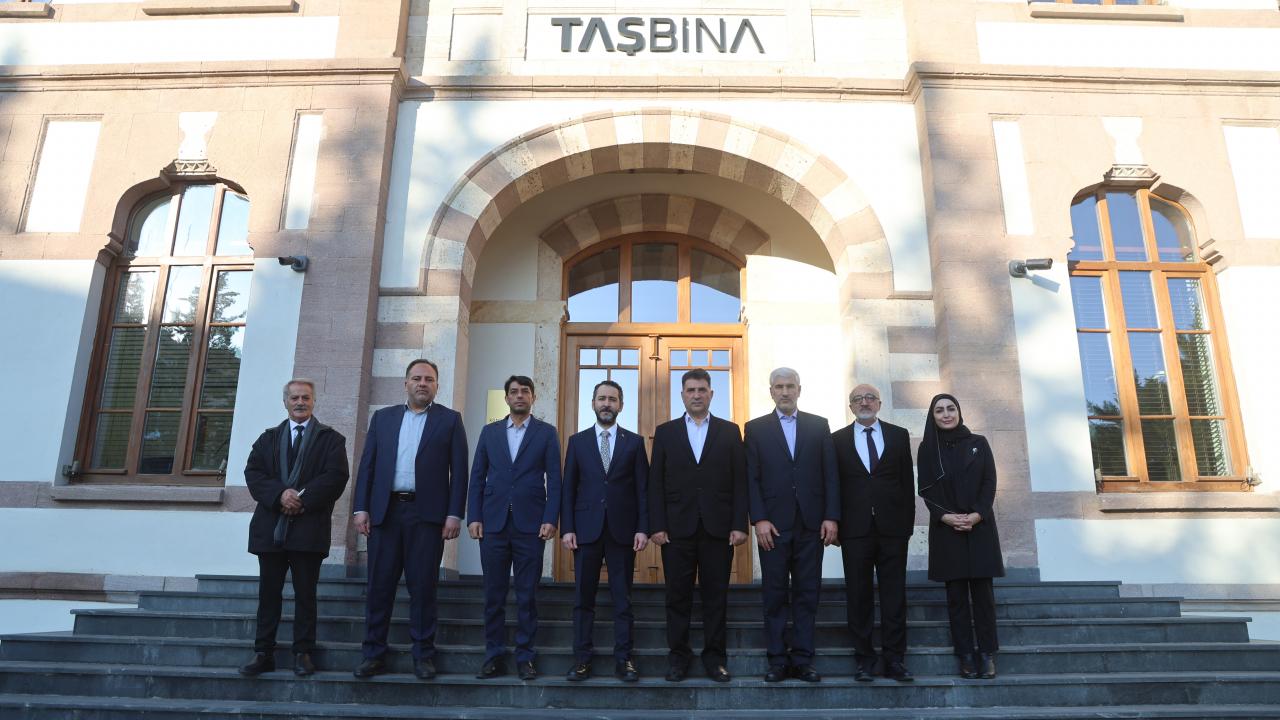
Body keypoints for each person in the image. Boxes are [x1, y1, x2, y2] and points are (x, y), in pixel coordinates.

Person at [352, 359, 469, 680]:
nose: (422, 384)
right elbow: (367, 466)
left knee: (423, 588)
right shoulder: (383, 418)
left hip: (427, 517)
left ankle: (423, 655)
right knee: (379, 587)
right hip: (385, 514)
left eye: (429, 379)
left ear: (437, 386)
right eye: (416, 378)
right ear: (406, 383)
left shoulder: (450, 420)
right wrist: (361, 508)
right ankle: (373, 654)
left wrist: (454, 513)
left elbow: (460, 472)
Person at [240, 379, 350, 677]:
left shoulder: (331, 440)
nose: (300, 402)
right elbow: (254, 473)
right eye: (294, 398)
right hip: (270, 529)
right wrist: (280, 495)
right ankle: (263, 653)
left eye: (305, 397)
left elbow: (335, 477)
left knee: (305, 595)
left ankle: (303, 652)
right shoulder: (267, 439)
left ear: (314, 401)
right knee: (268, 595)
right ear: (285, 402)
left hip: (308, 528)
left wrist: (301, 500)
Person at [648, 368, 748, 683]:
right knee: (677, 597)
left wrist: (739, 524)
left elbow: (740, 482)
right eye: (690, 390)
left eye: (702, 390)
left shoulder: (730, 432)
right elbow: (655, 483)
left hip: (719, 529)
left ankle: (715, 660)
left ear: (711, 394)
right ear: (682, 395)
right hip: (676, 530)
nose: (696, 395)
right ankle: (678, 659)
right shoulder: (665, 432)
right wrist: (657, 525)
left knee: (715, 597)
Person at [744, 368, 840, 683]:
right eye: (779, 387)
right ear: (771, 391)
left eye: (790, 386)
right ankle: (776, 661)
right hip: (772, 527)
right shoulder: (755, 429)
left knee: (807, 594)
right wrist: (758, 519)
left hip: (811, 525)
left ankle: (803, 660)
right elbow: (751, 478)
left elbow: (830, 475)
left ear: (800, 389)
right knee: (774, 595)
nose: (785, 392)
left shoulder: (819, 425)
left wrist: (831, 516)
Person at [468, 375, 562, 681]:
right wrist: (474, 516)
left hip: (531, 526)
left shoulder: (546, 433)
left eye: (525, 391)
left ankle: (525, 657)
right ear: (506, 398)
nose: (519, 395)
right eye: (514, 392)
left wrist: (550, 518)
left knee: (527, 595)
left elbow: (555, 481)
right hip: (493, 524)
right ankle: (493, 656)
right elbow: (477, 476)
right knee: (493, 595)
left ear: (533, 397)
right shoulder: (490, 432)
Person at [560, 379, 649, 682]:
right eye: (602, 398)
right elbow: (568, 488)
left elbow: (642, 490)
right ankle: (581, 660)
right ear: (593, 404)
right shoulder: (577, 442)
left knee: (623, 600)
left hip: (623, 532)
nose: (607, 404)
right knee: (583, 600)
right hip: (585, 532)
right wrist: (567, 528)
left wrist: (643, 528)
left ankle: (624, 660)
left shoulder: (634, 443)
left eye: (612, 399)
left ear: (621, 405)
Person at [831, 383, 916, 682]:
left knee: (895, 596)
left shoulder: (898, 435)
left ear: (879, 403)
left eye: (870, 398)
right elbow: (833, 485)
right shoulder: (837, 440)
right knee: (859, 596)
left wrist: (907, 526)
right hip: (855, 531)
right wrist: (835, 523)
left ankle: (895, 660)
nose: (864, 402)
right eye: (858, 399)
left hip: (893, 530)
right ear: (851, 406)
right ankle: (864, 660)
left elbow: (907, 482)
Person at [918, 393, 1005, 680]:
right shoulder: (927, 449)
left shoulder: (978, 443)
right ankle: (965, 655)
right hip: (947, 529)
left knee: (983, 597)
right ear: (933, 416)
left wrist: (977, 514)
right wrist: (946, 516)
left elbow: (990, 482)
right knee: (956, 597)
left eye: (951, 409)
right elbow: (926, 489)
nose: (946, 414)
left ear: (959, 412)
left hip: (979, 528)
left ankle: (987, 654)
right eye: (939, 410)